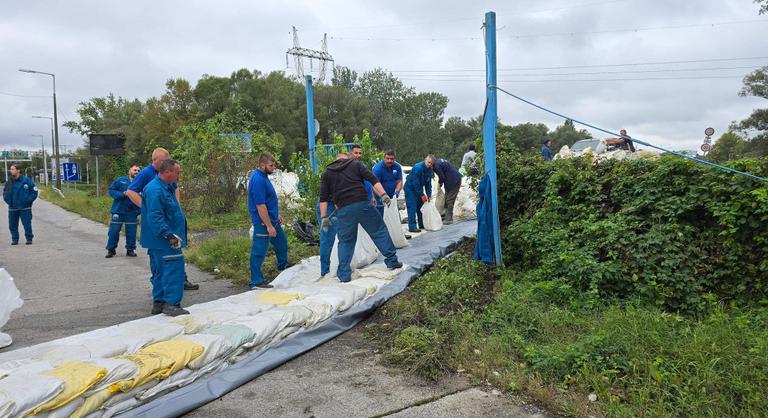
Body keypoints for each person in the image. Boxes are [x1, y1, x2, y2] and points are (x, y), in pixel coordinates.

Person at [319, 154, 402, 283]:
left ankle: (344, 275)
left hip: (344, 210)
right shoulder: (356, 165)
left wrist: (324, 217)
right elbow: (373, 180)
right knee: (379, 231)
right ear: (346, 158)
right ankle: (392, 261)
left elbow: (323, 198)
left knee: (346, 241)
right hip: (363, 204)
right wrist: (383, 194)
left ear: (335, 160)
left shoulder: (327, 174)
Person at [126, 147, 199, 290]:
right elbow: (130, 191)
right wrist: (146, 207)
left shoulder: (168, 174)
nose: (169, 162)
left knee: (174, 255)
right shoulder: (147, 174)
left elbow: (175, 188)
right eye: (165, 160)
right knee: (161, 262)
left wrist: (176, 206)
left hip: (170, 224)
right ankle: (163, 295)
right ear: (157, 161)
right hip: (159, 227)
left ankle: (181, 280)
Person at [141, 159, 189, 317]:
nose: (178, 175)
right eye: (177, 172)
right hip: (166, 240)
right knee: (173, 271)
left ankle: (159, 303)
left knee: (160, 272)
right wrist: (168, 235)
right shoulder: (156, 190)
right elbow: (155, 217)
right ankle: (171, 303)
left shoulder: (164, 188)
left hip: (161, 240)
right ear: (167, 172)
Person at [248, 153, 290, 289]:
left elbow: (269, 200)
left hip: (272, 219)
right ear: (262, 165)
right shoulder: (258, 180)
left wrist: (276, 215)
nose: (274, 167)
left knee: (281, 243)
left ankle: (283, 266)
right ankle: (256, 281)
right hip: (263, 222)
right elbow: (260, 205)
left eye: (274, 165)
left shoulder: (263, 176)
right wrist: (268, 226)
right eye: (271, 165)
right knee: (259, 251)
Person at [316, 153, 346, 278]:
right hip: (328, 207)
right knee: (328, 238)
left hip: (333, 205)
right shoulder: (330, 174)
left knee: (341, 237)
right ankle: (326, 270)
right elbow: (326, 196)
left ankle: (338, 265)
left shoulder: (342, 173)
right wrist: (324, 217)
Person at [105, 165, 141, 258]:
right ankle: (111, 250)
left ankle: (130, 250)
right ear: (130, 171)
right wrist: (123, 194)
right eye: (134, 170)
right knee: (114, 231)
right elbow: (111, 191)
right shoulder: (121, 180)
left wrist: (140, 210)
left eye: (138, 170)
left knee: (131, 232)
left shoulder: (141, 183)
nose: (136, 172)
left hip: (132, 211)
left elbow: (143, 197)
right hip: (119, 210)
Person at [3, 163, 38, 245]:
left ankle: (29, 238)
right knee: (12, 225)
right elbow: (5, 193)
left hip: (25, 207)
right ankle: (15, 239)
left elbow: (34, 191)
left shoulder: (26, 180)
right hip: (13, 207)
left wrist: (28, 200)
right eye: (10, 169)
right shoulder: (9, 182)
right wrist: (10, 202)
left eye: (12, 169)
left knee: (27, 224)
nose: (11, 171)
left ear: (18, 170)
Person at [403, 155, 435, 233]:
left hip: (418, 189)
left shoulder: (430, 170)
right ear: (425, 160)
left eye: (431, 163)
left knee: (421, 206)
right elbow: (415, 182)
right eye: (429, 162)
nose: (430, 164)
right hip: (410, 188)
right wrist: (421, 194)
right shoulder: (418, 168)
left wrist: (429, 195)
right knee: (412, 206)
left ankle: (422, 224)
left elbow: (428, 183)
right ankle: (412, 226)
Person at [371, 150, 403, 217]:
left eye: (391, 159)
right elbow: (374, 186)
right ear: (384, 158)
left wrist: (397, 192)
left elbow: (399, 181)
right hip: (380, 198)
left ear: (394, 159)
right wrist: (382, 196)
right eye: (387, 158)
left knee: (394, 218)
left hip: (392, 197)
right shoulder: (377, 169)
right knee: (381, 218)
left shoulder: (397, 167)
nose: (389, 161)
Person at [432, 158, 462, 225]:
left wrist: (439, 183)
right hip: (453, 179)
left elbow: (442, 177)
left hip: (454, 181)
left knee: (449, 199)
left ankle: (449, 219)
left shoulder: (436, 166)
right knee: (446, 198)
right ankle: (445, 215)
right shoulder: (439, 162)